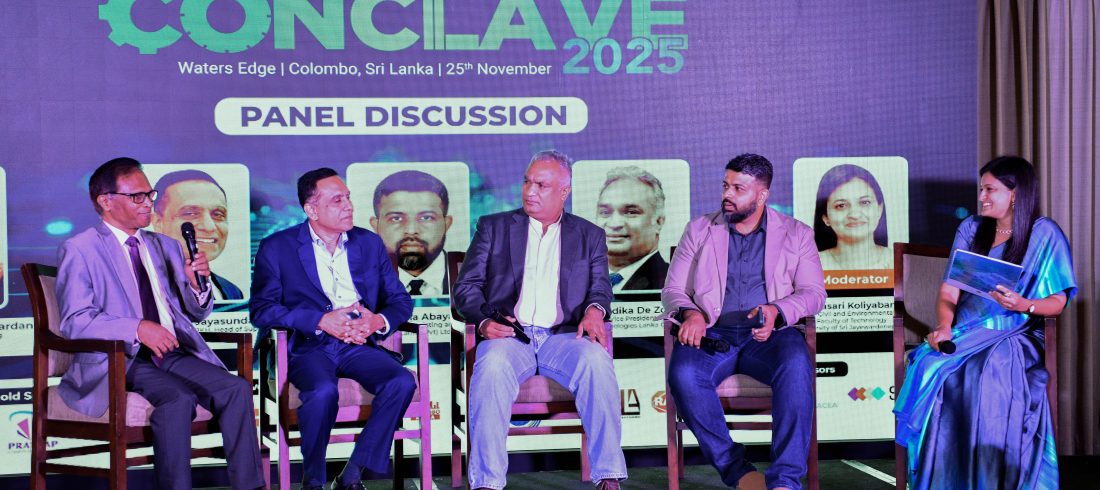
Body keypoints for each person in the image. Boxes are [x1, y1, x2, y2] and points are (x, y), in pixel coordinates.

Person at [55, 157, 264, 490]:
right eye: (137, 196)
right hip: (121, 358)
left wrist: (197, 286)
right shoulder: (81, 249)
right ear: (106, 201)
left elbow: (195, 313)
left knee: (235, 388)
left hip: (173, 352)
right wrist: (137, 327)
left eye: (149, 194)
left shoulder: (165, 245)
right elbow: (75, 321)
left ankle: (251, 486)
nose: (147, 203)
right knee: (177, 398)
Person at [894, 156, 1075, 490]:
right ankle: (945, 477)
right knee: (933, 366)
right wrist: (944, 325)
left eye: (990, 189)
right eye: (981, 189)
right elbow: (949, 289)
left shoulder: (1043, 233)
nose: (982, 197)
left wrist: (1024, 304)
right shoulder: (971, 228)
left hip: (1016, 331)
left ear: (1015, 193)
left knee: (986, 371)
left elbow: (1058, 301)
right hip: (965, 330)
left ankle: (987, 477)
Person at [452, 150, 627, 490]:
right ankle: (487, 482)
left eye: (541, 185)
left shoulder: (589, 235)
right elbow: (466, 287)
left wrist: (595, 310)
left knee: (596, 361)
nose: (530, 191)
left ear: (564, 191)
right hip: (510, 336)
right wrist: (484, 322)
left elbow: (600, 289)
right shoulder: (494, 228)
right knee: (491, 367)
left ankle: (608, 475)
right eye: (527, 182)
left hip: (563, 337)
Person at [663, 153, 825, 490]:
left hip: (770, 335)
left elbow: (814, 294)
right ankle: (739, 473)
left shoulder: (797, 233)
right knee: (684, 373)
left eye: (738, 188)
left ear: (762, 194)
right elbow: (674, 290)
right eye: (726, 185)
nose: (727, 194)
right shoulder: (699, 230)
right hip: (712, 334)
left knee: (797, 365)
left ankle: (785, 481)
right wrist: (691, 313)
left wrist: (777, 310)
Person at [250, 168, 416, 490]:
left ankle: (352, 474)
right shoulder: (277, 247)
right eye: (337, 200)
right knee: (322, 392)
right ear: (311, 210)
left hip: (358, 344)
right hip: (307, 346)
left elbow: (399, 300)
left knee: (400, 381)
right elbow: (262, 310)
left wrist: (377, 321)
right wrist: (319, 320)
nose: (349, 206)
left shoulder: (369, 243)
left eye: (348, 198)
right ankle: (313, 481)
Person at [151, 169, 243, 300]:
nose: (209, 227)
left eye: (217, 214)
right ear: (158, 222)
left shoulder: (232, 291)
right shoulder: (143, 284)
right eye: (190, 213)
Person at [369, 170, 453, 296]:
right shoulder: (353, 277)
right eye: (396, 218)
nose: (411, 230)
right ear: (376, 226)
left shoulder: (476, 273)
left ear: (447, 224)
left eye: (426, 218)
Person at [596, 166, 668, 291]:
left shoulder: (671, 283)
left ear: (658, 222)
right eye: (605, 212)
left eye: (630, 212)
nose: (614, 223)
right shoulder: (580, 280)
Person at [812, 164, 892, 270]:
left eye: (865, 202)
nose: (855, 215)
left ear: (879, 209)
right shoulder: (811, 265)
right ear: (825, 217)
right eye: (841, 205)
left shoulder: (899, 261)